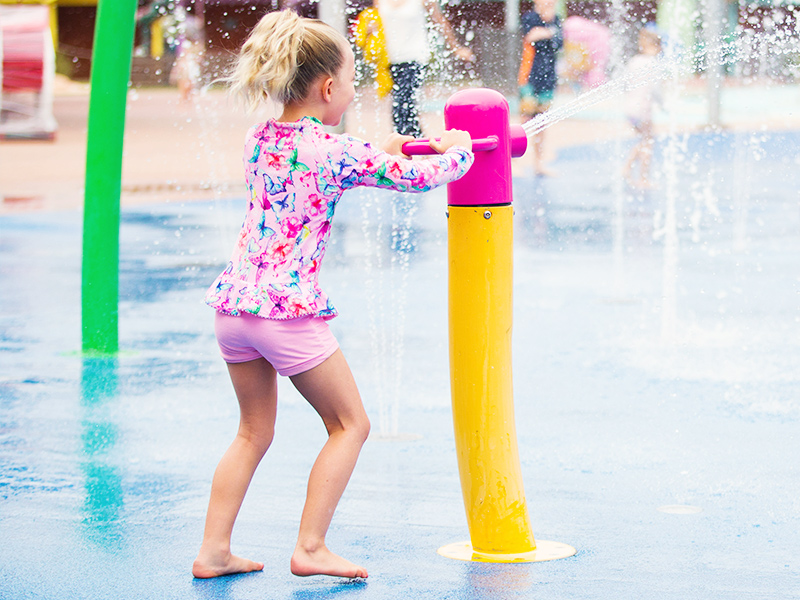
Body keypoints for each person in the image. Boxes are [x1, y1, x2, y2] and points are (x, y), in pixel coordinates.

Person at [191, 9, 474, 581]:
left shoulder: (260, 137)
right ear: (326, 87)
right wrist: (461, 149)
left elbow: (319, 155)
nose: (353, 90)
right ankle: (311, 547)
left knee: (251, 432)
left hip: (234, 310)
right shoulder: (333, 152)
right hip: (286, 315)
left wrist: (386, 146)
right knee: (350, 424)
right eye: (350, 81)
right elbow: (417, 178)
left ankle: (213, 552)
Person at [376, 0, 474, 138]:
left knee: (402, 102)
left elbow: (439, 21)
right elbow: (376, 22)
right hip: (390, 60)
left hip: (415, 57)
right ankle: (419, 143)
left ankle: (405, 144)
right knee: (405, 105)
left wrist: (456, 48)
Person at [519, 0, 563, 176]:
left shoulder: (557, 20)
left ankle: (538, 163)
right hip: (529, 77)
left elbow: (559, 43)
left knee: (542, 122)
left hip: (548, 79)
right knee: (525, 120)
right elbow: (530, 37)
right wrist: (549, 32)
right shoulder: (530, 17)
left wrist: (545, 33)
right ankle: (512, 161)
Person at [622, 25, 662, 189]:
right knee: (648, 142)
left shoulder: (634, 61)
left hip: (630, 109)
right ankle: (642, 178)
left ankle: (627, 168)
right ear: (656, 47)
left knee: (643, 140)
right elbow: (655, 89)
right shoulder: (652, 63)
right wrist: (664, 105)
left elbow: (625, 83)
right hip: (643, 109)